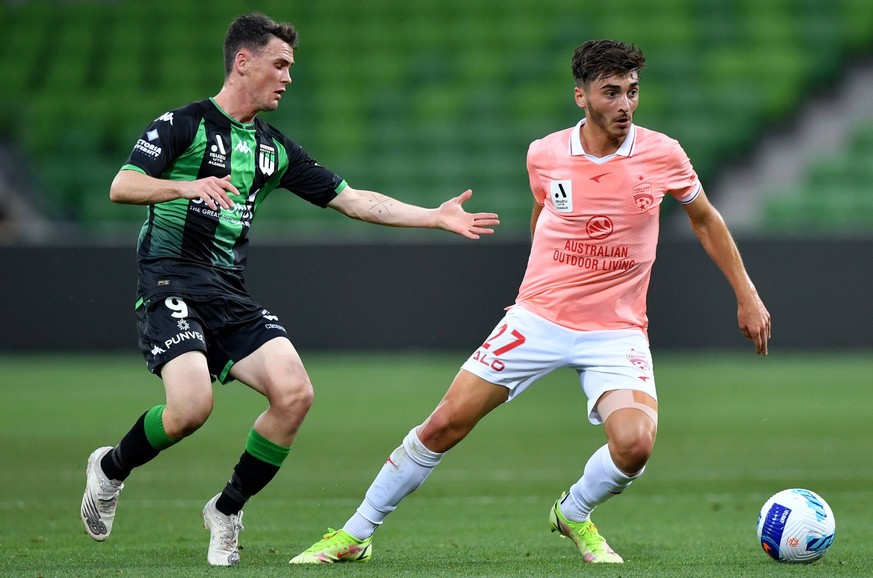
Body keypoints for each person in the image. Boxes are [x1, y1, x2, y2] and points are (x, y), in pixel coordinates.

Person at [290, 39, 771, 566]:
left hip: (616, 330)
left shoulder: (663, 154)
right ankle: (356, 534)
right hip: (538, 319)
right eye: (611, 92)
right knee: (445, 424)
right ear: (581, 96)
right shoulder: (545, 154)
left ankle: (574, 512)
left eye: (632, 91)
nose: (625, 105)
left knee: (635, 445)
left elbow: (705, 220)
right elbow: (544, 213)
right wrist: (535, 289)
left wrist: (747, 295)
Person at [79, 12, 499, 568]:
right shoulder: (183, 124)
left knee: (295, 393)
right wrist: (186, 186)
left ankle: (226, 509)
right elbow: (122, 185)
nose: (288, 77)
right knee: (191, 409)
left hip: (228, 291)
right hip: (169, 279)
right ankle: (110, 468)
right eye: (279, 65)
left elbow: (353, 200)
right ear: (242, 62)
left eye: (290, 67)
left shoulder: (273, 148)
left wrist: (433, 217)